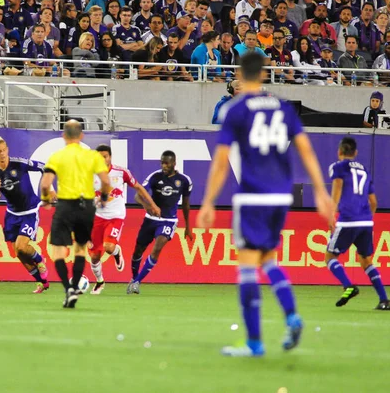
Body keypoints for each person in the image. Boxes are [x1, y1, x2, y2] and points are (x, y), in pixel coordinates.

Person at [197, 52, 334, 357]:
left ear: (239, 75)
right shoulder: (283, 107)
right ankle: (292, 316)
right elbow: (306, 150)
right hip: (280, 197)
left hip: (252, 195)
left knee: (247, 267)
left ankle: (255, 343)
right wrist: (322, 194)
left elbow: (221, 162)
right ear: (263, 74)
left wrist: (208, 202)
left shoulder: (236, 110)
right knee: (268, 260)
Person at [39, 120, 110, 308]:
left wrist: (46, 199)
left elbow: (46, 184)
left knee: (59, 252)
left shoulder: (57, 157)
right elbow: (105, 181)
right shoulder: (92, 157)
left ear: (64, 136)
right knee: (80, 249)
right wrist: (103, 197)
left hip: (65, 206)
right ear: (81, 136)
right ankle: (75, 288)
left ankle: (68, 289)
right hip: (86, 206)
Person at [324, 137, 390, 310]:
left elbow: (337, 187)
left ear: (339, 152)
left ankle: (348, 286)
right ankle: (384, 300)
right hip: (366, 221)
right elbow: (374, 202)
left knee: (330, 256)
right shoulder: (366, 171)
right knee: (366, 260)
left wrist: (332, 214)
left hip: (348, 220)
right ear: (355, 153)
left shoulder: (338, 167)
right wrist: (369, 219)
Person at [0, 136, 55, 294]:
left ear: (7, 150)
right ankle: (42, 282)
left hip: (29, 210)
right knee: (19, 253)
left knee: (21, 245)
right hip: (12, 213)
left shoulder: (20, 164)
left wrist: (49, 188)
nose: (2, 154)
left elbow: (45, 168)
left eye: (4, 150)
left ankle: (39, 259)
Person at [88, 144, 160, 294]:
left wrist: (152, 204)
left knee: (108, 247)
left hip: (116, 216)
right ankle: (100, 281)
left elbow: (139, 187)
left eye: (105, 156)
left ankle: (116, 251)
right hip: (97, 217)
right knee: (94, 256)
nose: (102, 159)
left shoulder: (121, 172)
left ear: (110, 157)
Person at [127, 150, 192, 295]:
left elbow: (186, 205)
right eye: (162, 162)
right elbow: (138, 196)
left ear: (174, 163)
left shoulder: (184, 180)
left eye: (167, 163)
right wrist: (147, 206)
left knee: (157, 248)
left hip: (169, 221)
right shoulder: (155, 177)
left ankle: (137, 282)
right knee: (138, 250)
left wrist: (188, 226)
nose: (164, 165)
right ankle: (133, 278)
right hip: (150, 220)